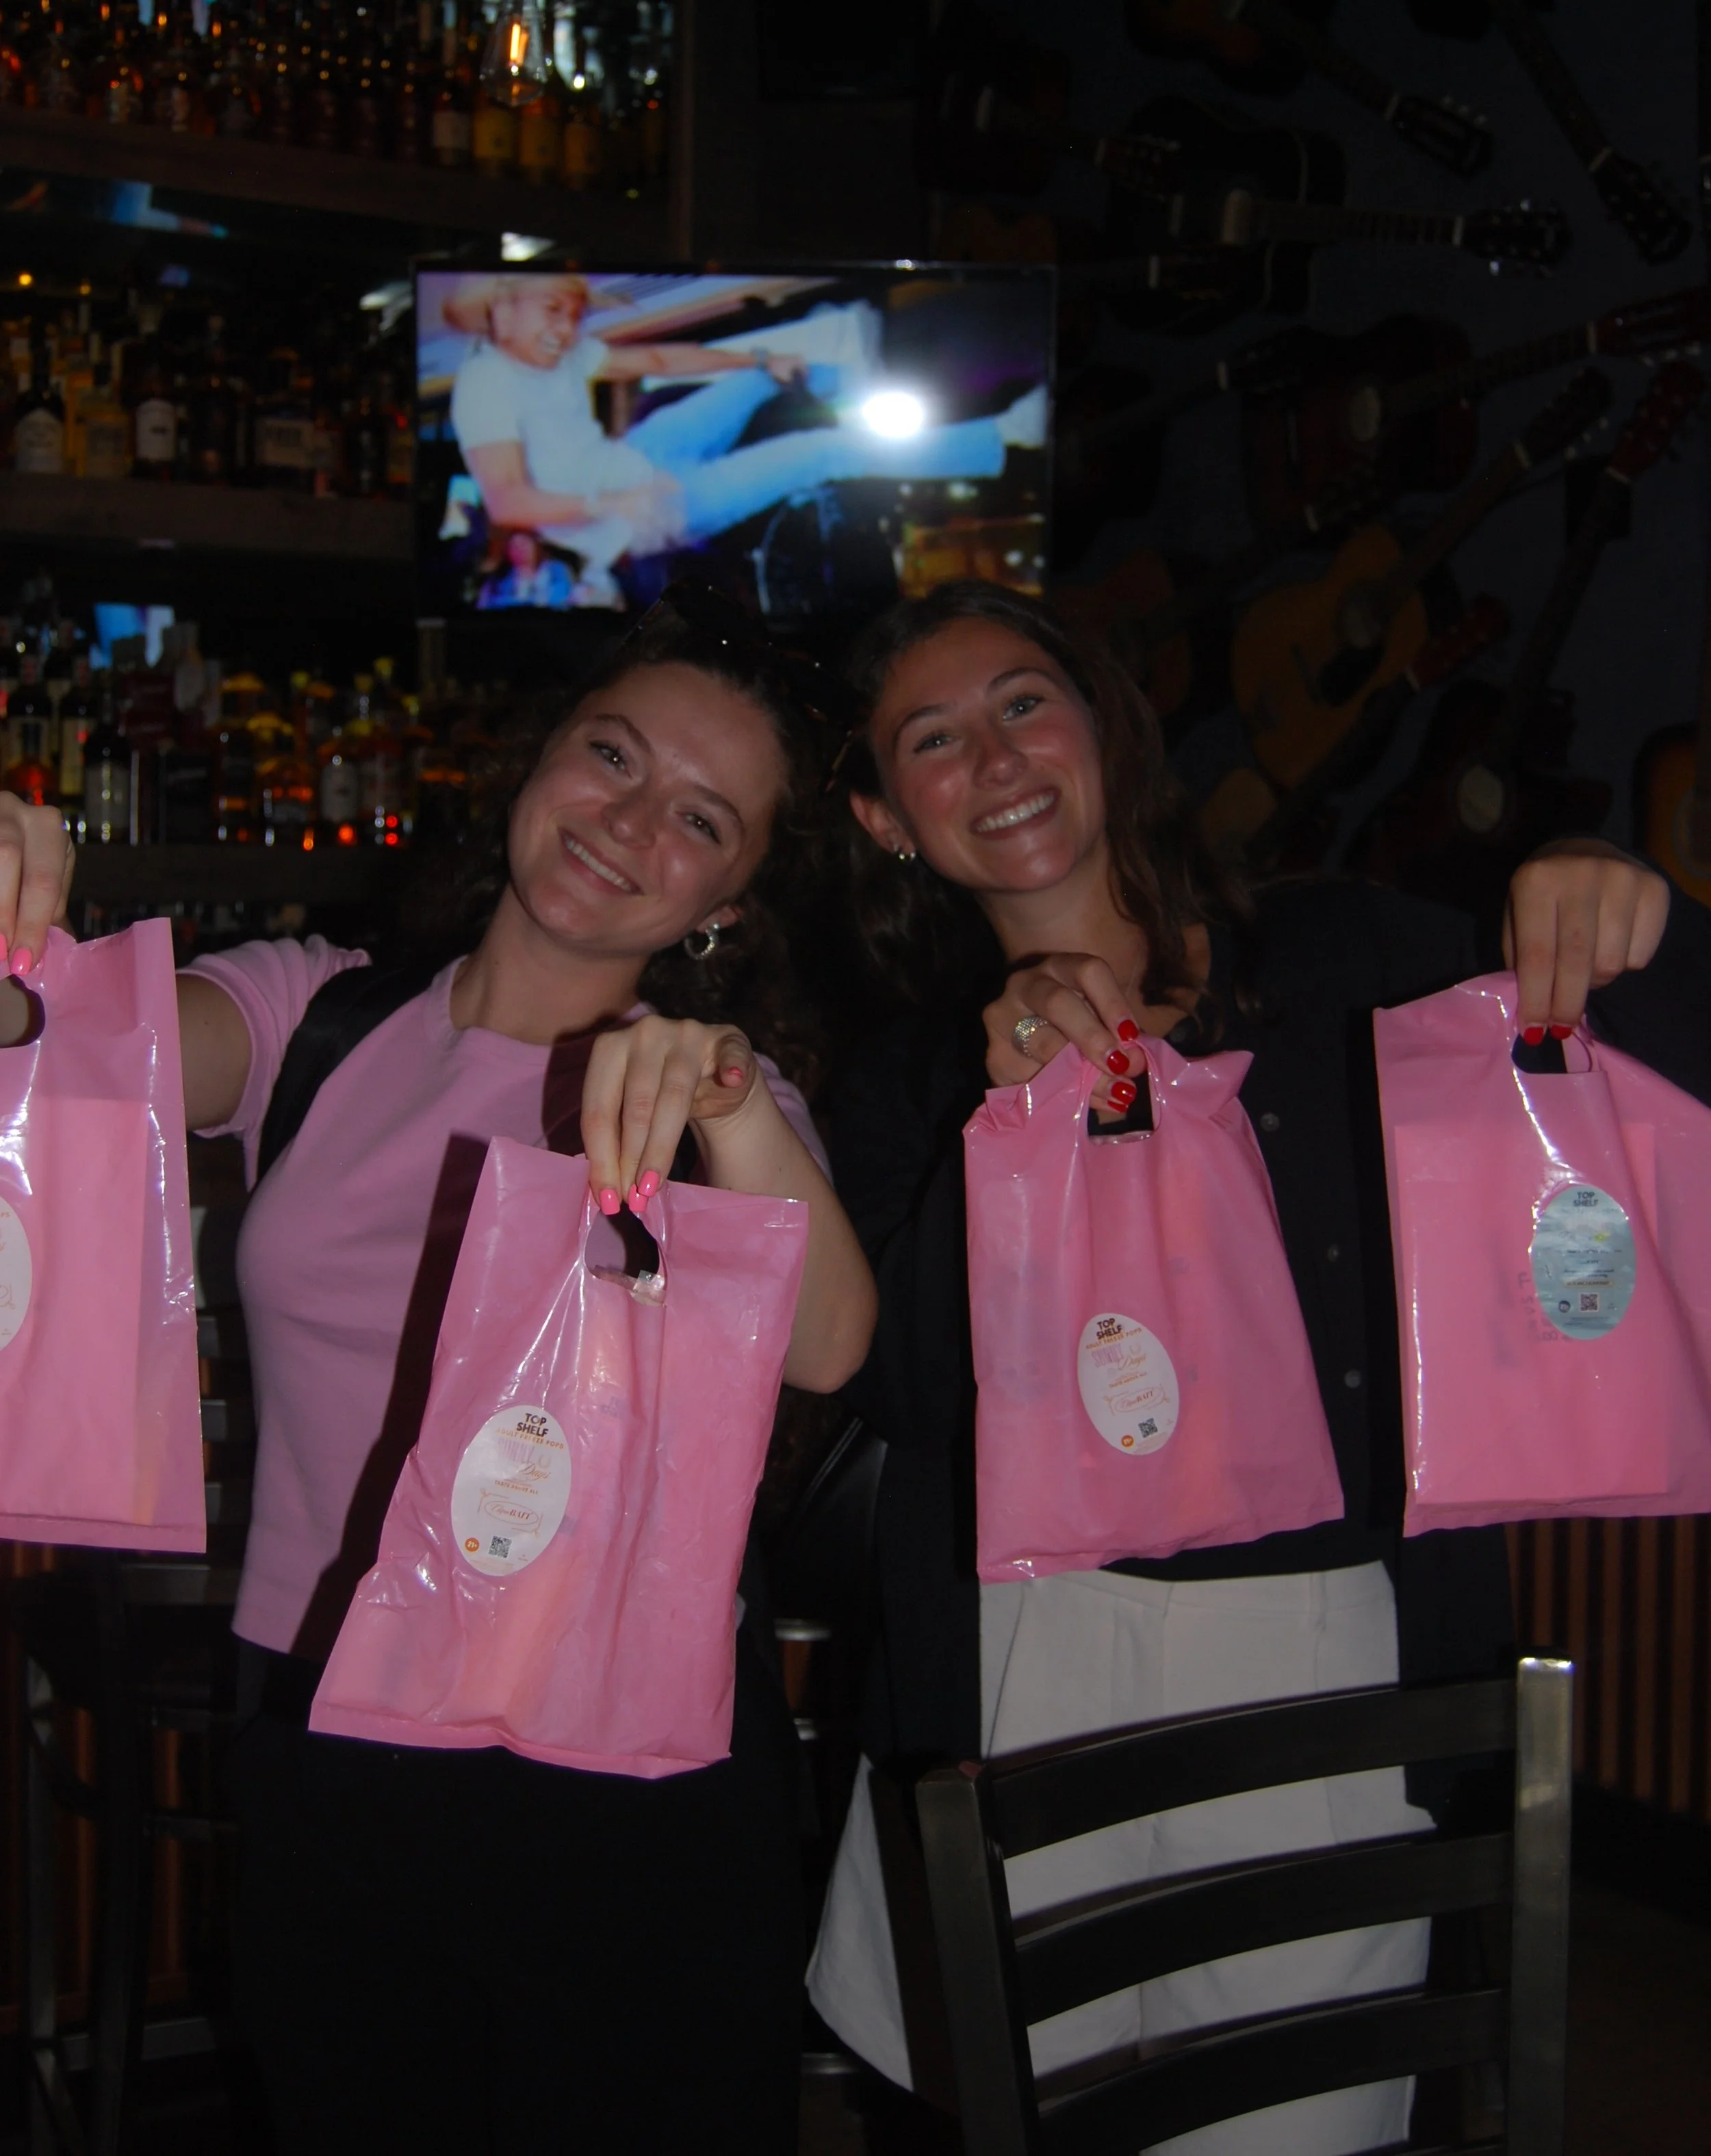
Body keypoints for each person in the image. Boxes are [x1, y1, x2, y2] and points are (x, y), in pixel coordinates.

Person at [807, 577, 1703, 2153]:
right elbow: (910, 1392)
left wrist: (1621, 900)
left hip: (1329, 1650)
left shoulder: (1354, 957)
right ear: (889, 821)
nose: (996, 754)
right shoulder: (900, 1075)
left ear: (1101, 729)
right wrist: (1001, 1117)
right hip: (1023, 1648)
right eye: (933, 740)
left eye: (1025, 699)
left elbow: (1660, 1055)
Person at [0, 597, 877, 2156]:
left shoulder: (714, 1092)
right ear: (538, 756)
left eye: (699, 817)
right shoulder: (317, 1017)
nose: (627, 820)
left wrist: (726, 1097)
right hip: (331, 1740)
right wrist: (15, 966)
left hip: (635, 1771)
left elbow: (826, 1339)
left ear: (729, 897)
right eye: (612, 753)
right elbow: (87, 1058)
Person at [444, 274, 1047, 606]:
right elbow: (508, 503)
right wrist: (610, 505)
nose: (565, 328)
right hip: (649, 510)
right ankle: (1003, 438)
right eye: (553, 310)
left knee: (758, 373)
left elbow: (657, 355)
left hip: (641, 453)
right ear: (501, 312)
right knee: (820, 454)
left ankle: (854, 350)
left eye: (573, 314)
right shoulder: (484, 387)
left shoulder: (562, 352)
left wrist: (758, 355)